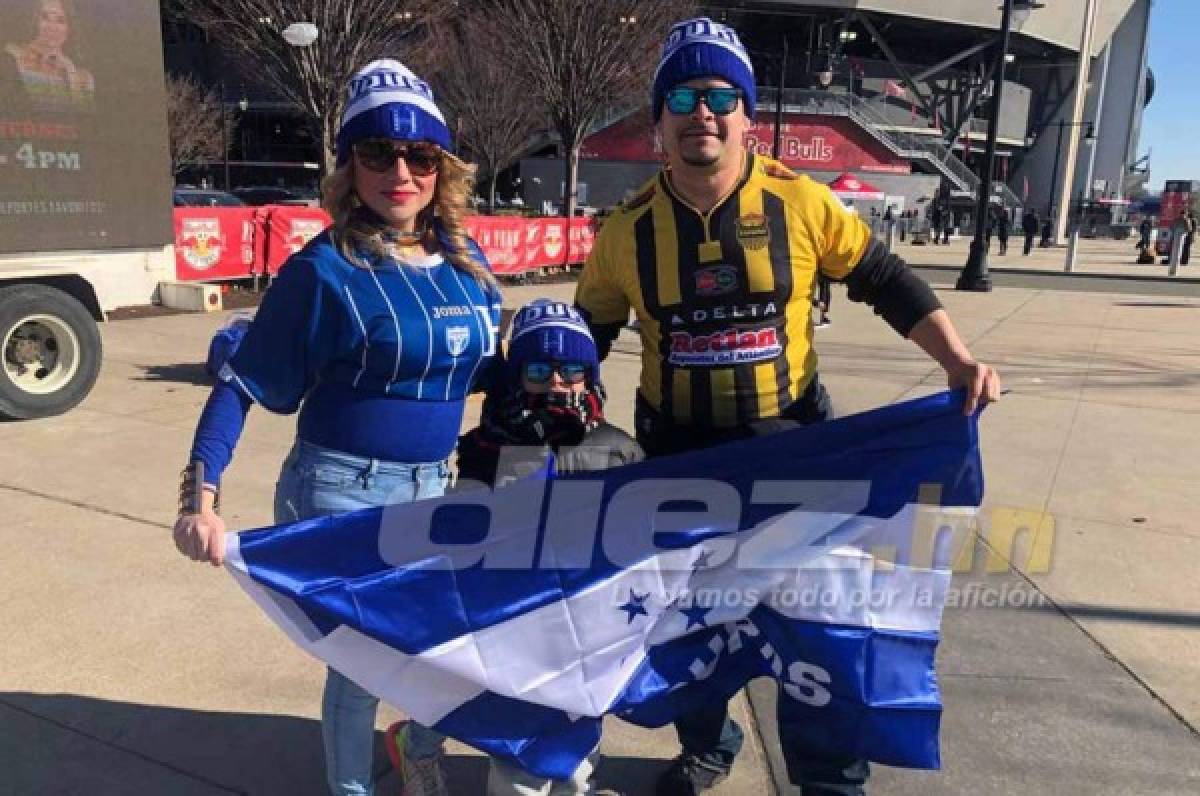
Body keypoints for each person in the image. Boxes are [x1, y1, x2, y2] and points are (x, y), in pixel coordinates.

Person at [573, 16, 1000, 796]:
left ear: (745, 114)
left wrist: (957, 359)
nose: (701, 111)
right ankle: (707, 741)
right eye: (682, 95)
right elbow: (583, 342)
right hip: (680, 462)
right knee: (683, 623)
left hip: (796, 452)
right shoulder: (625, 233)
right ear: (659, 120)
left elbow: (885, 278)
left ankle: (830, 776)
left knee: (817, 628)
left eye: (719, 94)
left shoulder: (800, 203)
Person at [171, 59, 502, 796]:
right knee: (361, 667)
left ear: (441, 169)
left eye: (420, 156)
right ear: (348, 165)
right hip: (339, 493)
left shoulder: (467, 261)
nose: (400, 172)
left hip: (435, 489)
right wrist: (200, 499)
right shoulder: (323, 270)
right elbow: (239, 387)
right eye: (377, 153)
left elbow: (490, 376)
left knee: (449, 650)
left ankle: (415, 742)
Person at [453, 299, 642, 795]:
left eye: (572, 370)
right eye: (539, 370)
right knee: (522, 760)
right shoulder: (486, 448)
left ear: (590, 376)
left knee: (580, 749)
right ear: (516, 377)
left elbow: (643, 537)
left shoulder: (619, 447)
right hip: (520, 627)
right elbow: (461, 536)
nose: (558, 382)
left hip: (592, 625)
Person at [4, 0, 94, 113]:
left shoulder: (83, 77)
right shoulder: (12, 55)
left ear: (70, 28)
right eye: (45, 17)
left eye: (60, 20)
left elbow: (84, 121)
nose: (51, 27)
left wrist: (70, 71)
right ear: (36, 20)